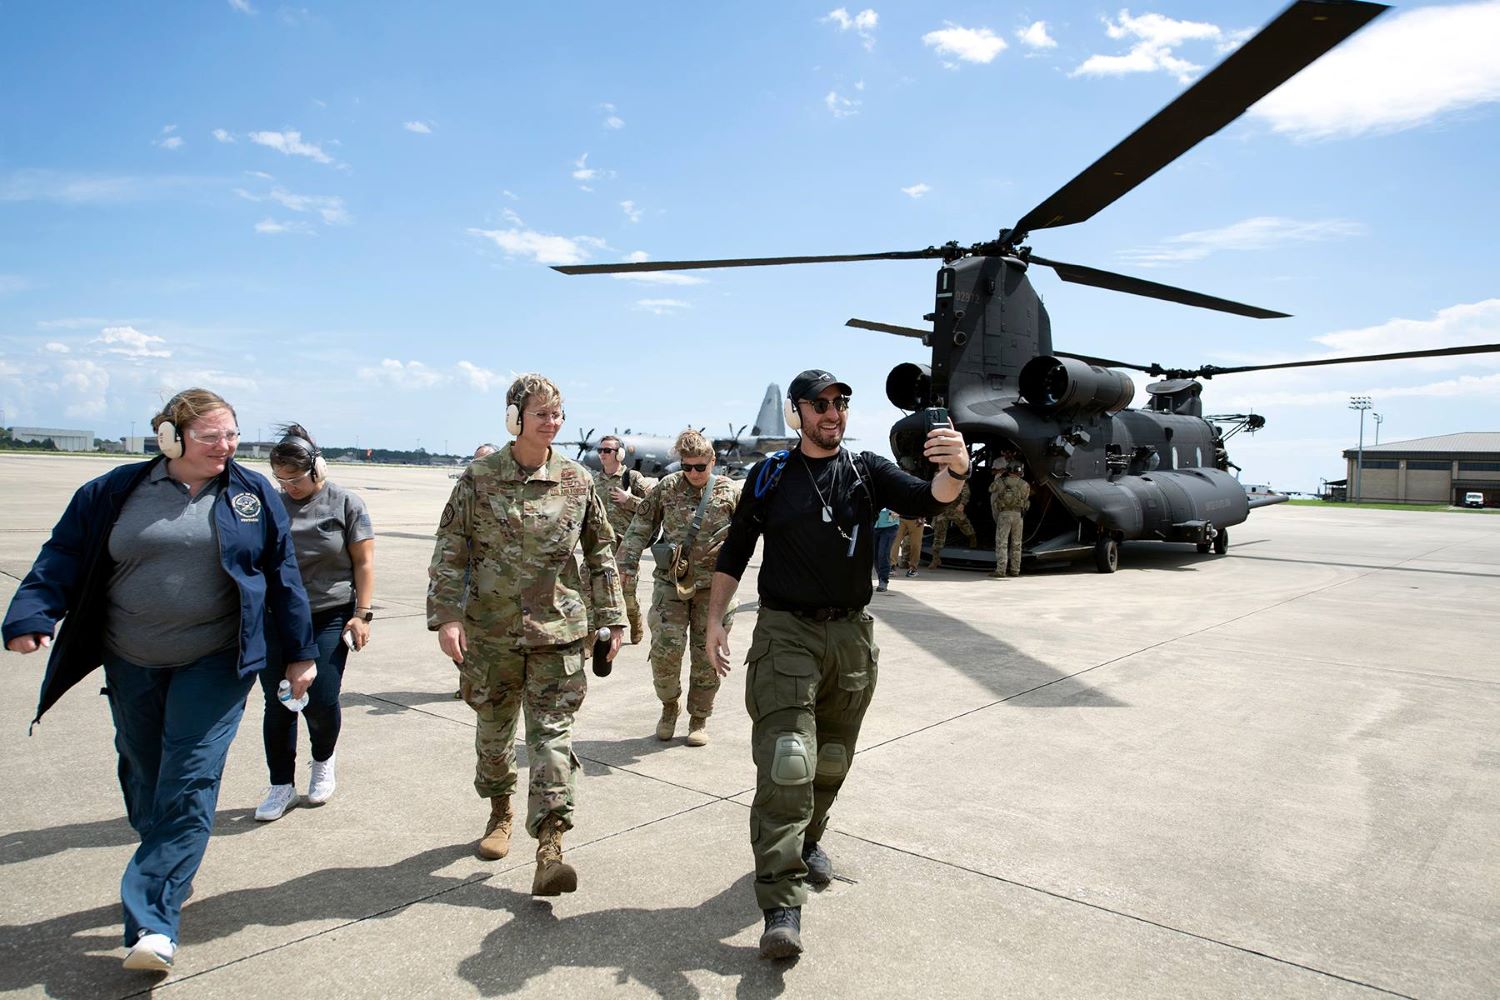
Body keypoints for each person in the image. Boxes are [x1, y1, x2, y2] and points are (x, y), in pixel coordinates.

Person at [1, 388, 316, 973]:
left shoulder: (251, 496)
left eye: (230, 435)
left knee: (190, 777)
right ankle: (169, 855)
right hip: (131, 657)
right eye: (209, 437)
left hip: (216, 661)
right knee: (145, 769)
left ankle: (152, 922)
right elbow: (63, 554)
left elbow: (282, 574)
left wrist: (300, 653)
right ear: (171, 437)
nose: (225, 446)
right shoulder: (113, 491)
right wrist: (31, 613)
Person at [705, 369, 969, 960]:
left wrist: (954, 470)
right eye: (820, 404)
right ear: (798, 412)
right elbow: (737, 547)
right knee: (788, 763)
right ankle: (781, 904)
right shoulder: (770, 475)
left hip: (850, 636)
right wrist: (715, 618)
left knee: (831, 759)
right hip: (786, 633)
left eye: (841, 403)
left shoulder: (867, 470)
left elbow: (928, 499)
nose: (833, 413)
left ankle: (810, 839)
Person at [427, 373, 625, 895]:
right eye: (541, 413)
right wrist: (447, 616)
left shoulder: (578, 481)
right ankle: (499, 812)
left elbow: (602, 552)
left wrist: (613, 617)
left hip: (558, 632)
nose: (552, 422)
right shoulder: (478, 477)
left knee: (551, 737)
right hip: (490, 634)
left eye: (557, 413)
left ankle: (551, 846)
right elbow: (451, 548)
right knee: (494, 736)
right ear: (515, 418)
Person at [254, 424, 376, 821]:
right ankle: (280, 785)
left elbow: (364, 563)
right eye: (281, 479)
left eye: (296, 478)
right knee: (280, 701)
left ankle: (322, 760)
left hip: (329, 614)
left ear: (318, 469)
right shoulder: (270, 505)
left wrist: (362, 614)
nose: (288, 486)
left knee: (320, 698)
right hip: (276, 618)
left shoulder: (345, 503)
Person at [616, 429, 739, 746]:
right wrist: (626, 565)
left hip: (714, 590)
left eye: (701, 466)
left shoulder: (730, 491)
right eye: (688, 467)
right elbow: (640, 527)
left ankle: (699, 718)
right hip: (671, 584)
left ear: (712, 461)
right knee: (664, 654)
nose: (695, 474)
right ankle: (669, 707)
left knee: (706, 657)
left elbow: (749, 536)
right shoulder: (666, 489)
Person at [593, 434, 655, 645]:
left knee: (627, 595)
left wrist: (630, 501)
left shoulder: (632, 477)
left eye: (607, 450)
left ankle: (635, 622)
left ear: (619, 454)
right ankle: (592, 637)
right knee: (591, 589)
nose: (602, 454)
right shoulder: (594, 481)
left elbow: (654, 507)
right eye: (600, 450)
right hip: (601, 545)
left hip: (627, 546)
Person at [989, 456, 1031, 579]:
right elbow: (1026, 498)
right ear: (1020, 471)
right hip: (1018, 515)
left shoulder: (1001, 482)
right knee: (1017, 543)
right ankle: (1015, 570)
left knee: (1002, 542)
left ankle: (1001, 570)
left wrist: (1000, 475)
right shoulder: (1025, 484)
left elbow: (990, 488)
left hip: (1004, 514)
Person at [927, 481, 977, 569]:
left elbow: (966, 492)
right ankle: (935, 559)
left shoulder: (959, 480)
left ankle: (972, 539)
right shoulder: (940, 479)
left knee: (965, 526)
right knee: (938, 535)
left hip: (955, 509)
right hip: (942, 510)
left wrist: (962, 504)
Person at [872, 508, 898, 592]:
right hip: (874, 525)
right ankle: (881, 578)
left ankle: (883, 581)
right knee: (875, 555)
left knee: (883, 553)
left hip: (890, 526)